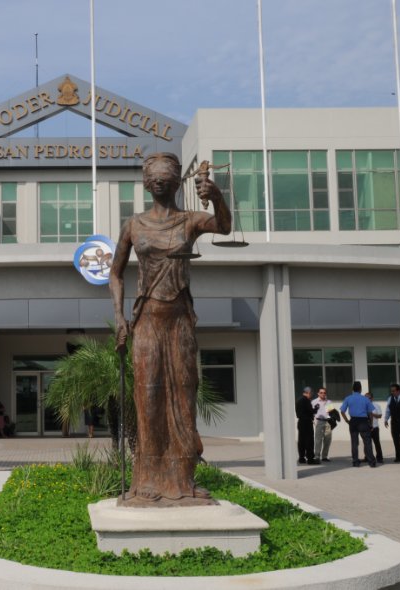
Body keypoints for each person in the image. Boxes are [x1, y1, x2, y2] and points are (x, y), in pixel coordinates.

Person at [110, 152, 231, 507]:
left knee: (182, 398)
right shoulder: (133, 225)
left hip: (179, 320)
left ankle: (182, 480)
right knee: (148, 399)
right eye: (153, 176)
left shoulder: (189, 220)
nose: (159, 181)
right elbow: (115, 273)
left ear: (177, 181)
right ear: (146, 183)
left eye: (166, 176)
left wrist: (218, 195)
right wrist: (119, 317)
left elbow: (224, 228)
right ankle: (146, 480)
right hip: (147, 318)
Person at [340, 381, 378, 468]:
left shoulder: (348, 398)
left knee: (354, 442)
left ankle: (355, 461)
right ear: (360, 389)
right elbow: (370, 413)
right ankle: (371, 462)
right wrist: (371, 424)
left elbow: (342, 411)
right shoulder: (365, 399)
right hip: (363, 421)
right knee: (367, 442)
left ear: (353, 389)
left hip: (353, 421)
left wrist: (347, 420)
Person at [295, 386, 317, 464]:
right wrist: (316, 409)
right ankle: (310, 459)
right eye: (311, 393)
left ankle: (301, 457)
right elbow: (311, 411)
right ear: (308, 393)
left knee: (301, 440)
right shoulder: (306, 401)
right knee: (309, 441)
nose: (311, 395)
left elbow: (298, 413)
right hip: (307, 422)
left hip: (300, 422)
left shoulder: (298, 401)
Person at [311, 387, 333, 463]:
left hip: (327, 422)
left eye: (324, 393)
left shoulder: (329, 402)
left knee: (328, 440)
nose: (323, 394)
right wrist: (314, 421)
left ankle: (324, 456)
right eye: (321, 392)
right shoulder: (314, 402)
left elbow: (331, 413)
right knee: (318, 440)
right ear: (318, 393)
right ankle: (317, 456)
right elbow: (312, 413)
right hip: (319, 422)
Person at [364, 391, 384, 463]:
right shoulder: (363, 406)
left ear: (372, 398)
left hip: (375, 427)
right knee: (367, 443)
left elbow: (380, 416)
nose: (366, 399)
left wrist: (373, 415)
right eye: (365, 398)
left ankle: (380, 458)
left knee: (377, 443)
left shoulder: (376, 405)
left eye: (368, 398)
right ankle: (367, 457)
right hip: (366, 427)